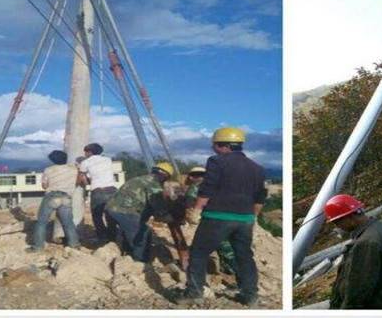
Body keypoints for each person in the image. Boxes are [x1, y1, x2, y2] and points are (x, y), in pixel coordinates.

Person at [177, 127, 267, 307]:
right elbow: (260, 197)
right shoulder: (257, 168)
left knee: (199, 253)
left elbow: (208, 188)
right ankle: (250, 295)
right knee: (244, 256)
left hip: (217, 216)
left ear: (222, 145)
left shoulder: (217, 162)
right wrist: (253, 217)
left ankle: (194, 293)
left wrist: (196, 209)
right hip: (245, 220)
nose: (213, 149)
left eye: (214, 146)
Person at [324, 193, 382, 310]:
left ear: (349, 218)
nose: (338, 227)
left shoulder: (366, 243)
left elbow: (359, 289)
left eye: (337, 222)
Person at [105, 162, 184, 263]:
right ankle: (141, 262)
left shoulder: (140, 179)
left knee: (129, 232)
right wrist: (169, 217)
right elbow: (158, 207)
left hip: (111, 209)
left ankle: (127, 253)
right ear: (165, 176)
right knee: (142, 236)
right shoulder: (153, 183)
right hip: (125, 211)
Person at [184, 165, 237, 275]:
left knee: (223, 248)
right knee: (227, 246)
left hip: (212, 222)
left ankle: (234, 274)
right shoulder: (217, 186)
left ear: (190, 177)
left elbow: (191, 211)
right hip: (230, 219)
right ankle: (229, 271)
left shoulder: (194, 189)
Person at [28, 150, 80, 251]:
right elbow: (77, 182)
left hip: (52, 196)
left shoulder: (48, 170)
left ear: (53, 160)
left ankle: (38, 247)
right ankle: (74, 245)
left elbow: (44, 186)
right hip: (66, 197)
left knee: (42, 222)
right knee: (68, 223)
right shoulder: (73, 169)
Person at [77, 143, 118, 243]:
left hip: (98, 190)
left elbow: (82, 181)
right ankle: (112, 238)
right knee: (110, 215)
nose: (85, 154)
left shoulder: (85, 163)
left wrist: (79, 170)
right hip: (112, 189)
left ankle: (102, 237)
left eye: (85, 152)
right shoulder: (108, 160)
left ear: (90, 152)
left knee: (97, 216)